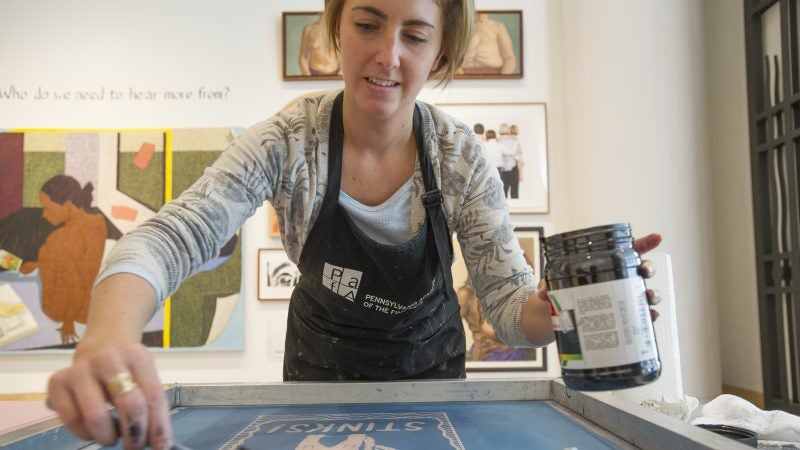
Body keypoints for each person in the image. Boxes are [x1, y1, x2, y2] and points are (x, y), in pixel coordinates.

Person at [46, 1, 663, 448]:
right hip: (315, 380)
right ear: (336, 28)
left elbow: (506, 307)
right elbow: (175, 235)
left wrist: (565, 310)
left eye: (415, 36)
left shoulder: (458, 156)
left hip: (434, 383)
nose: (387, 55)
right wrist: (108, 336)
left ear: (440, 50)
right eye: (367, 24)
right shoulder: (287, 142)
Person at [18, 175, 108, 345]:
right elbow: (78, 263)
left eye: (47, 208)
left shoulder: (59, 240)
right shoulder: (97, 223)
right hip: (91, 306)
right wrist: (41, 263)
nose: (44, 215)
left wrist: (68, 321)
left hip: (66, 311)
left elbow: (75, 282)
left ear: (66, 204)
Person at [497, 122, 523, 198]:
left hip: (502, 170)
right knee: (515, 193)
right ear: (508, 130)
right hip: (514, 170)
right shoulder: (515, 141)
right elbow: (519, 159)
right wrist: (521, 174)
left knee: (503, 194)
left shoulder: (497, 142)